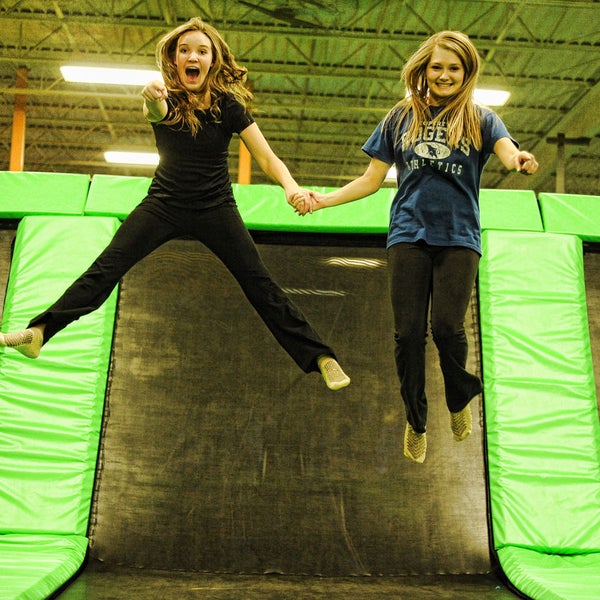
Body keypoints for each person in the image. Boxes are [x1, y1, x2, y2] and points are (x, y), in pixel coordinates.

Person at [0, 17, 350, 392]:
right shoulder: (165, 100)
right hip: (164, 204)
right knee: (105, 268)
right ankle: (39, 332)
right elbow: (156, 111)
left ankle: (321, 357)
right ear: (174, 58)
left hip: (215, 207)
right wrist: (150, 95)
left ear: (213, 61)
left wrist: (291, 187)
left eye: (201, 50)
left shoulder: (229, 107)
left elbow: (267, 158)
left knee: (260, 284)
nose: (192, 56)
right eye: (184, 50)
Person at [292, 30, 538, 460]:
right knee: (408, 335)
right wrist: (323, 200)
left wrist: (519, 160)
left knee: (446, 327)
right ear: (424, 70)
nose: (444, 75)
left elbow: (505, 150)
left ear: (467, 73)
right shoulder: (399, 118)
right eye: (437, 67)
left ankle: (459, 398)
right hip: (407, 235)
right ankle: (415, 419)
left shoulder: (481, 118)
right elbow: (371, 179)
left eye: (454, 68)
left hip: (460, 238)